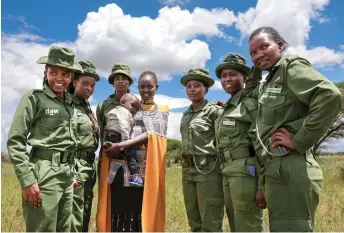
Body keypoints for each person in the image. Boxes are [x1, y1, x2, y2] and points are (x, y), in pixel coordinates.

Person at [248, 26, 342, 231]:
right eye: (253, 53)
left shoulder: (289, 67)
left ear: (280, 45)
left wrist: (299, 140)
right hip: (276, 171)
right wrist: (262, 185)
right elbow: (265, 138)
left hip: (291, 167)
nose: (258, 55)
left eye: (264, 46)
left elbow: (329, 95)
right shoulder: (270, 81)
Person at [7, 45, 83, 232]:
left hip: (66, 176)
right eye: (53, 72)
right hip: (43, 174)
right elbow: (16, 141)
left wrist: (71, 173)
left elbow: (68, 141)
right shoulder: (34, 99)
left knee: (64, 228)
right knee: (43, 228)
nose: (59, 78)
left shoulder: (71, 104)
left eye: (65, 74)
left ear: (71, 78)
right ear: (45, 73)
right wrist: (28, 180)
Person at [97, 71, 169, 232]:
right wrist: (113, 148)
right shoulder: (131, 108)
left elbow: (151, 135)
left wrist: (121, 146)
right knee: (119, 206)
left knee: (138, 209)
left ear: (156, 87)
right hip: (120, 167)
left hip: (144, 171)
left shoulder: (162, 110)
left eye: (149, 86)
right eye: (142, 86)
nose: (145, 90)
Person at [214, 53, 264, 232]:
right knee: (236, 223)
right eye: (224, 76)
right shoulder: (229, 105)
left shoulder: (250, 98)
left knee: (247, 225)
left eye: (233, 74)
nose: (227, 79)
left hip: (246, 171)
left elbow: (260, 144)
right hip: (227, 170)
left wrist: (262, 185)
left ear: (244, 77)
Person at [180, 68, 224, 232]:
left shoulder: (215, 111)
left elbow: (223, 140)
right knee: (194, 220)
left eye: (197, 85)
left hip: (208, 170)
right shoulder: (186, 114)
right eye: (189, 86)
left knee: (210, 220)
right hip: (187, 170)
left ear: (205, 89)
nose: (192, 89)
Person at [96, 63, 134, 232]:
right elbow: (101, 131)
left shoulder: (135, 102)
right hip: (109, 158)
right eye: (117, 79)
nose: (120, 82)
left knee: (129, 197)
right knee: (110, 196)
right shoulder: (104, 105)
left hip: (131, 160)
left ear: (129, 83)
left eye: (124, 79)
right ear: (112, 83)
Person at [69, 60, 100, 232]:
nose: (89, 88)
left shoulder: (86, 107)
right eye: (85, 84)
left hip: (89, 167)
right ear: (74, 83)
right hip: (75, 166)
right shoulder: (68, 105)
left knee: (85, 210)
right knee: (74, 214)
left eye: (92, 85)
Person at [105, 93, 142, 186]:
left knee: (120, 158)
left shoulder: (115, 111)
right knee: (132, 152)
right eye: (133, 105)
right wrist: (126, 142)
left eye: (136, 108)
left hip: (111, 136)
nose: (134, 109)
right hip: (118, 136)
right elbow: (124, 125)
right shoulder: (124, 111)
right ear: (122, 103)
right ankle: (135, 175)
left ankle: (111, 178)